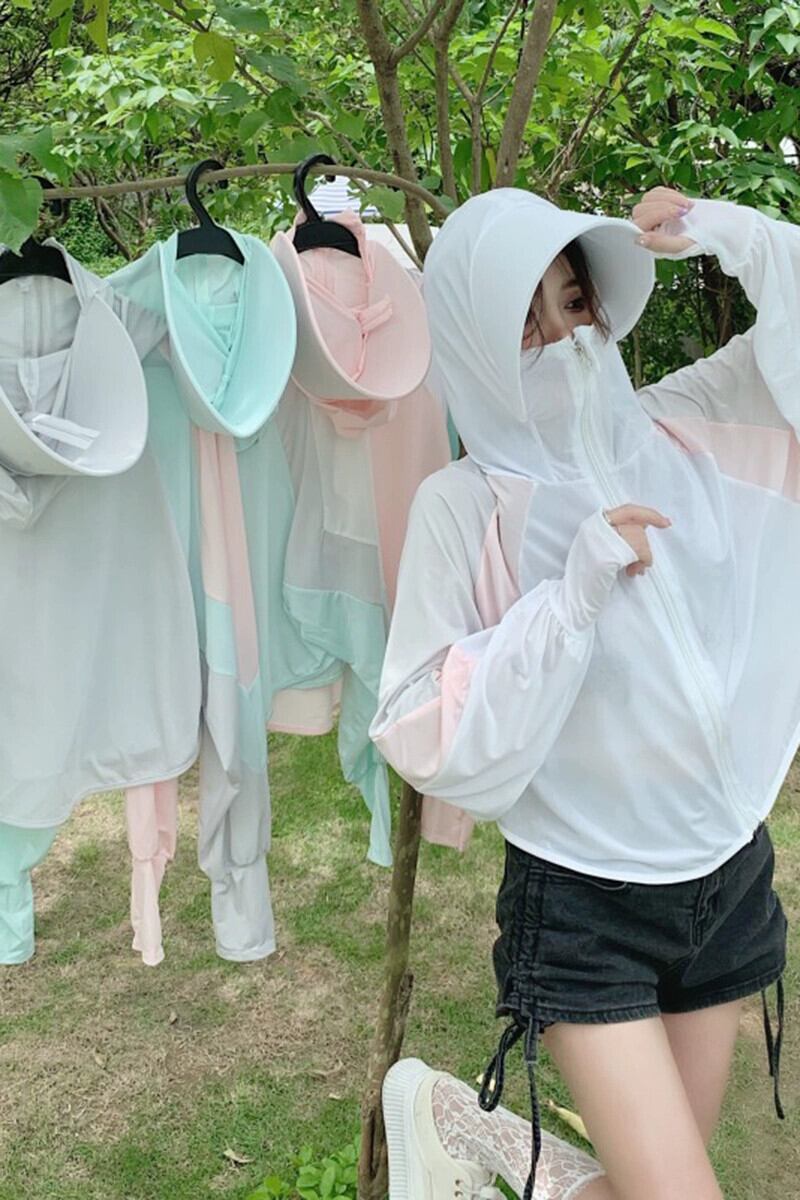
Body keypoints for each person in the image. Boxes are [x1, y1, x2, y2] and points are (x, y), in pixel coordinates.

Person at [369, 185, 800, 1200]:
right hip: (582, 899)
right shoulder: (462, 505)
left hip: (725, 872)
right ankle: (456, 1126)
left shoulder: (692, 423)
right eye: (524, 321)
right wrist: (565, 601)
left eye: (571, 302)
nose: (563, 338)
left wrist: (729, 231)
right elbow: (416, 723)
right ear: (475, 346)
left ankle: (458, 1134)